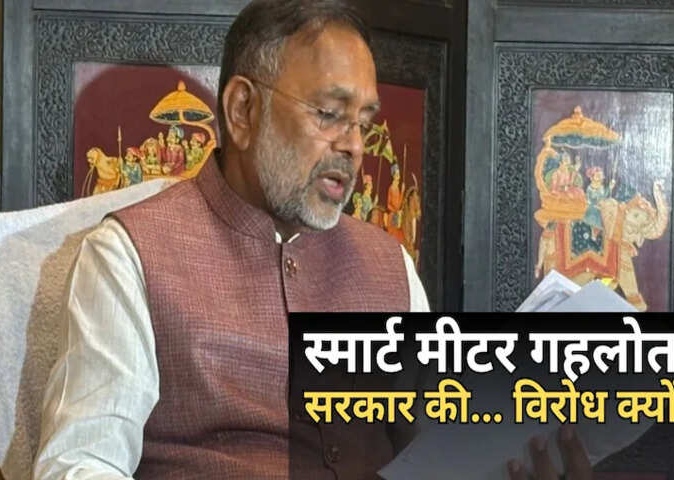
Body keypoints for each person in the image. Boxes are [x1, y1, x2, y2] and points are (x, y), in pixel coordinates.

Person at [33, 1, 591, 479]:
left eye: (364, 121)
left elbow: (440, 452)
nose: (355, 146)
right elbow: (80, 464)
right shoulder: (129, 256)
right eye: (329, 114)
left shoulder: (390, 266)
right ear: (243, 110)